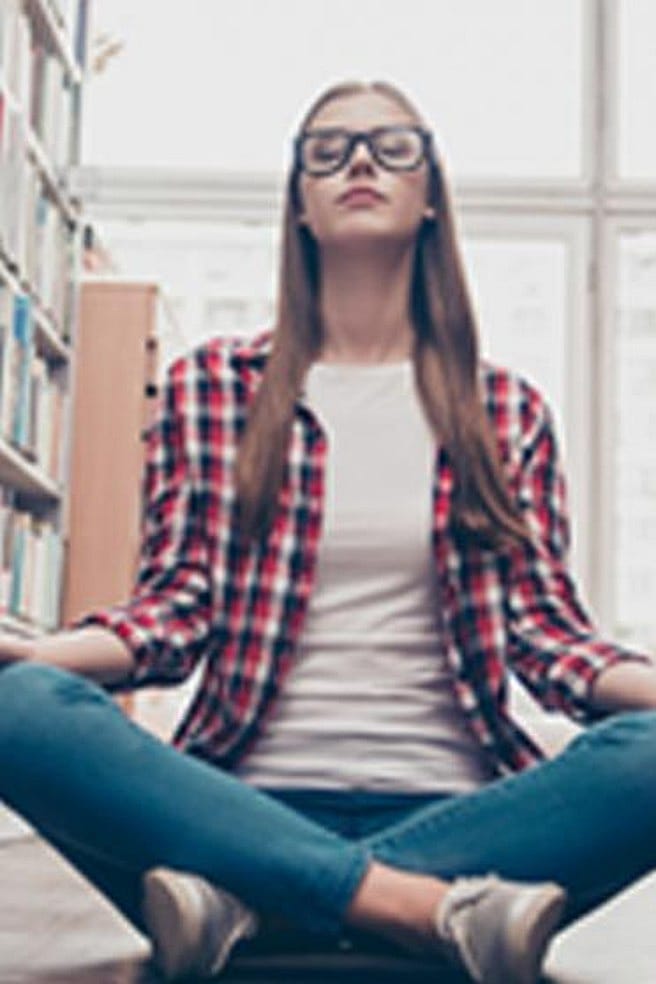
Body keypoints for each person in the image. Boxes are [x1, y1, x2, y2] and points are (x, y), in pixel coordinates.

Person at [1, 79, 656, 984]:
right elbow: (174, 613)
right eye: (328, 150)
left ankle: (257, 907)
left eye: (393, 146)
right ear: (299, 205)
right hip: (232, 806)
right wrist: (38, 659)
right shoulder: (211, 389)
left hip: (465, 816)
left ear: (431, 195)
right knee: (19, 708)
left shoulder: (506, 410)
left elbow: (549, 641)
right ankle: (429, 914)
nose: (359, 162)